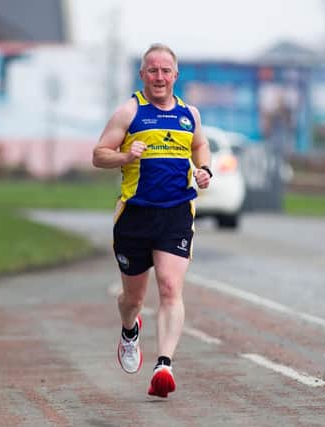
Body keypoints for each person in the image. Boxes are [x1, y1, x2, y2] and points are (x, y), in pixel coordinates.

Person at [92, 43, 211, 398]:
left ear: (175, 75)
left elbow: (200, 146)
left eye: (165, 71)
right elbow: (99, 155)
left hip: (176, 213)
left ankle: (164, 365)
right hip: (135, 216)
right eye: (152, 70)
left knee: (170, 287)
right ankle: (130, 329)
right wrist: (126, 155)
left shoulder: (190, 114)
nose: (159, 77)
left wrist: (203, 169)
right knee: (133, 298)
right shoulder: (130, 112)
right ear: (142, 75)